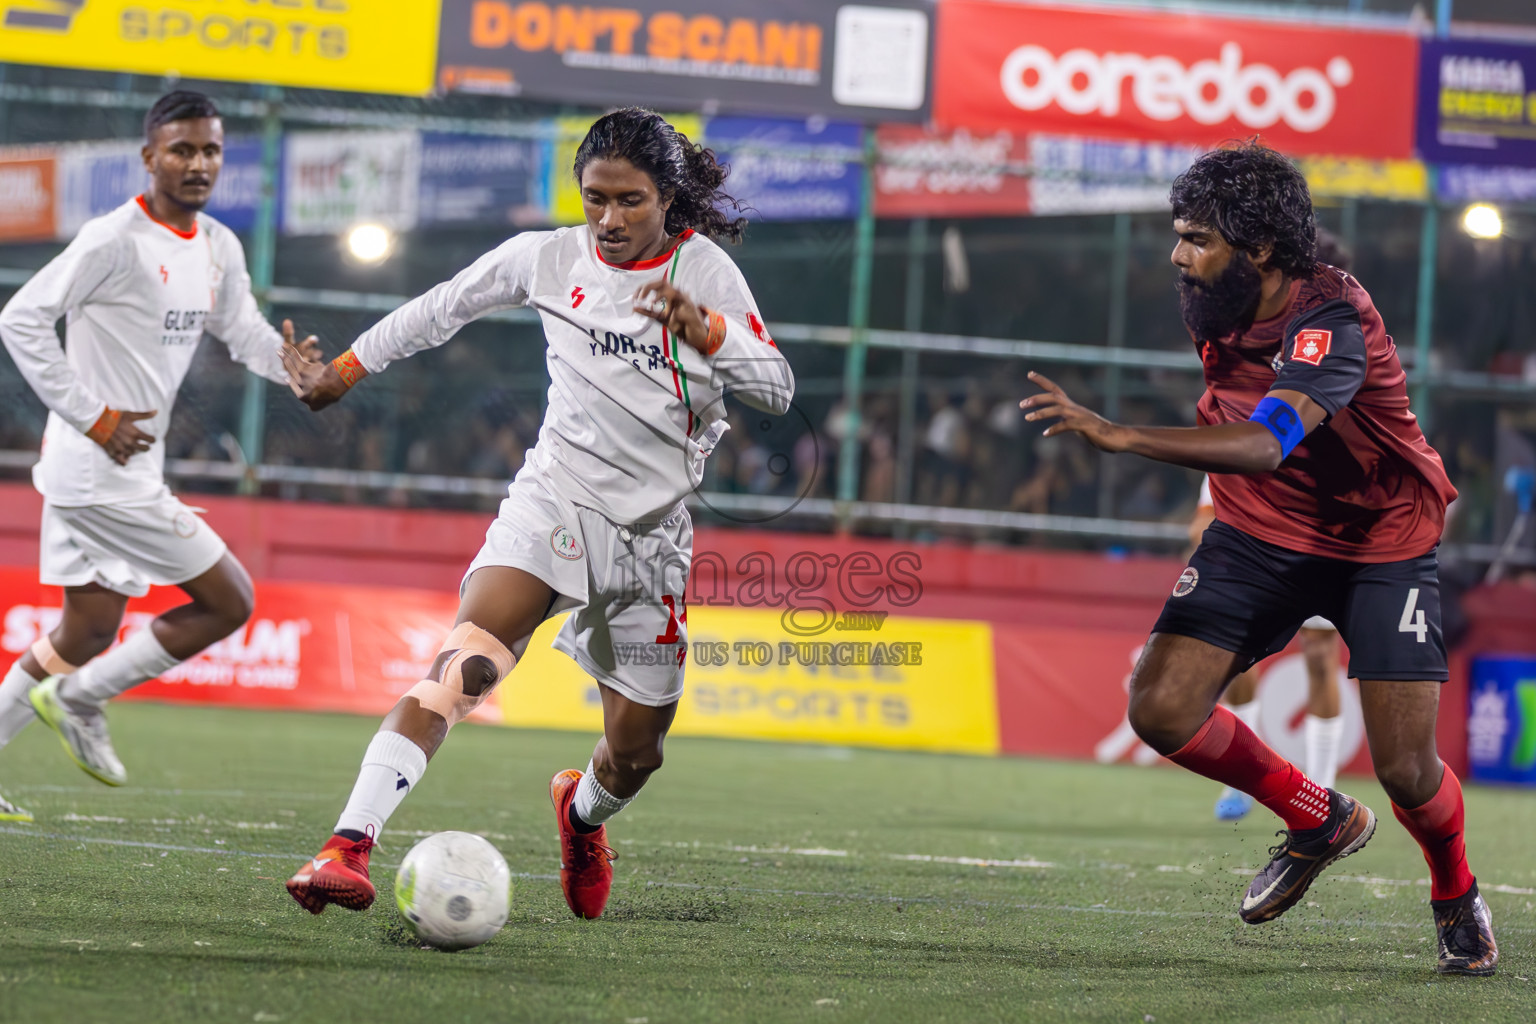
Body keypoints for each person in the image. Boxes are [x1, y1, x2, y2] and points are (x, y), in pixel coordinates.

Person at [280, 108, 794, 921]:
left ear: (667, 199)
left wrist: (710, 329)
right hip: (555, 497)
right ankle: (347, 845)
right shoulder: (548, 256)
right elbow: (442, 307)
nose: (609, 219)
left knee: (634, 756)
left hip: (650, 541)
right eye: (595, 198)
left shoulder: (706, 274)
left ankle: (581, 815)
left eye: (629, 201)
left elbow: (776, 389)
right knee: (467, 663)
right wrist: (343, 369)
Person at [1020, 142, 1495, 975]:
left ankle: (1454, 891)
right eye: (1179, 234)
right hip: (1260, 531)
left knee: (1407, 769)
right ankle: (1319, 817)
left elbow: (1271, 441)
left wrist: (1122, 434)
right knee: (1161, 707)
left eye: (1196, 238)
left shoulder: (1332, 320)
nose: (1178, 255)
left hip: (1377, 543)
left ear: (1262, 250)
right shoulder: (1222, 296)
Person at [0, 91, 314, 821]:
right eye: (182, 149)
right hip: (95, 468)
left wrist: (289, 365)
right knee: (231, 599)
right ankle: (81, 696)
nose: (198, 163)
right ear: (149, 158)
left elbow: (242, 330)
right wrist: (94, 415)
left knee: (87, 630)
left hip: (117, 466)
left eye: (210, 151)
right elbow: (19, 318)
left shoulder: (217, 246)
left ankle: (71, 685)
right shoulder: (114, 240)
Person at [1200, 228, 1355, 822]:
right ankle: (1242, 781)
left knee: (1320, 655)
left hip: (1319, 517)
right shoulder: (1250, 337)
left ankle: (1323, 791)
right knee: (1235, 653)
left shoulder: (1347, 337)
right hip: (1251, 486)